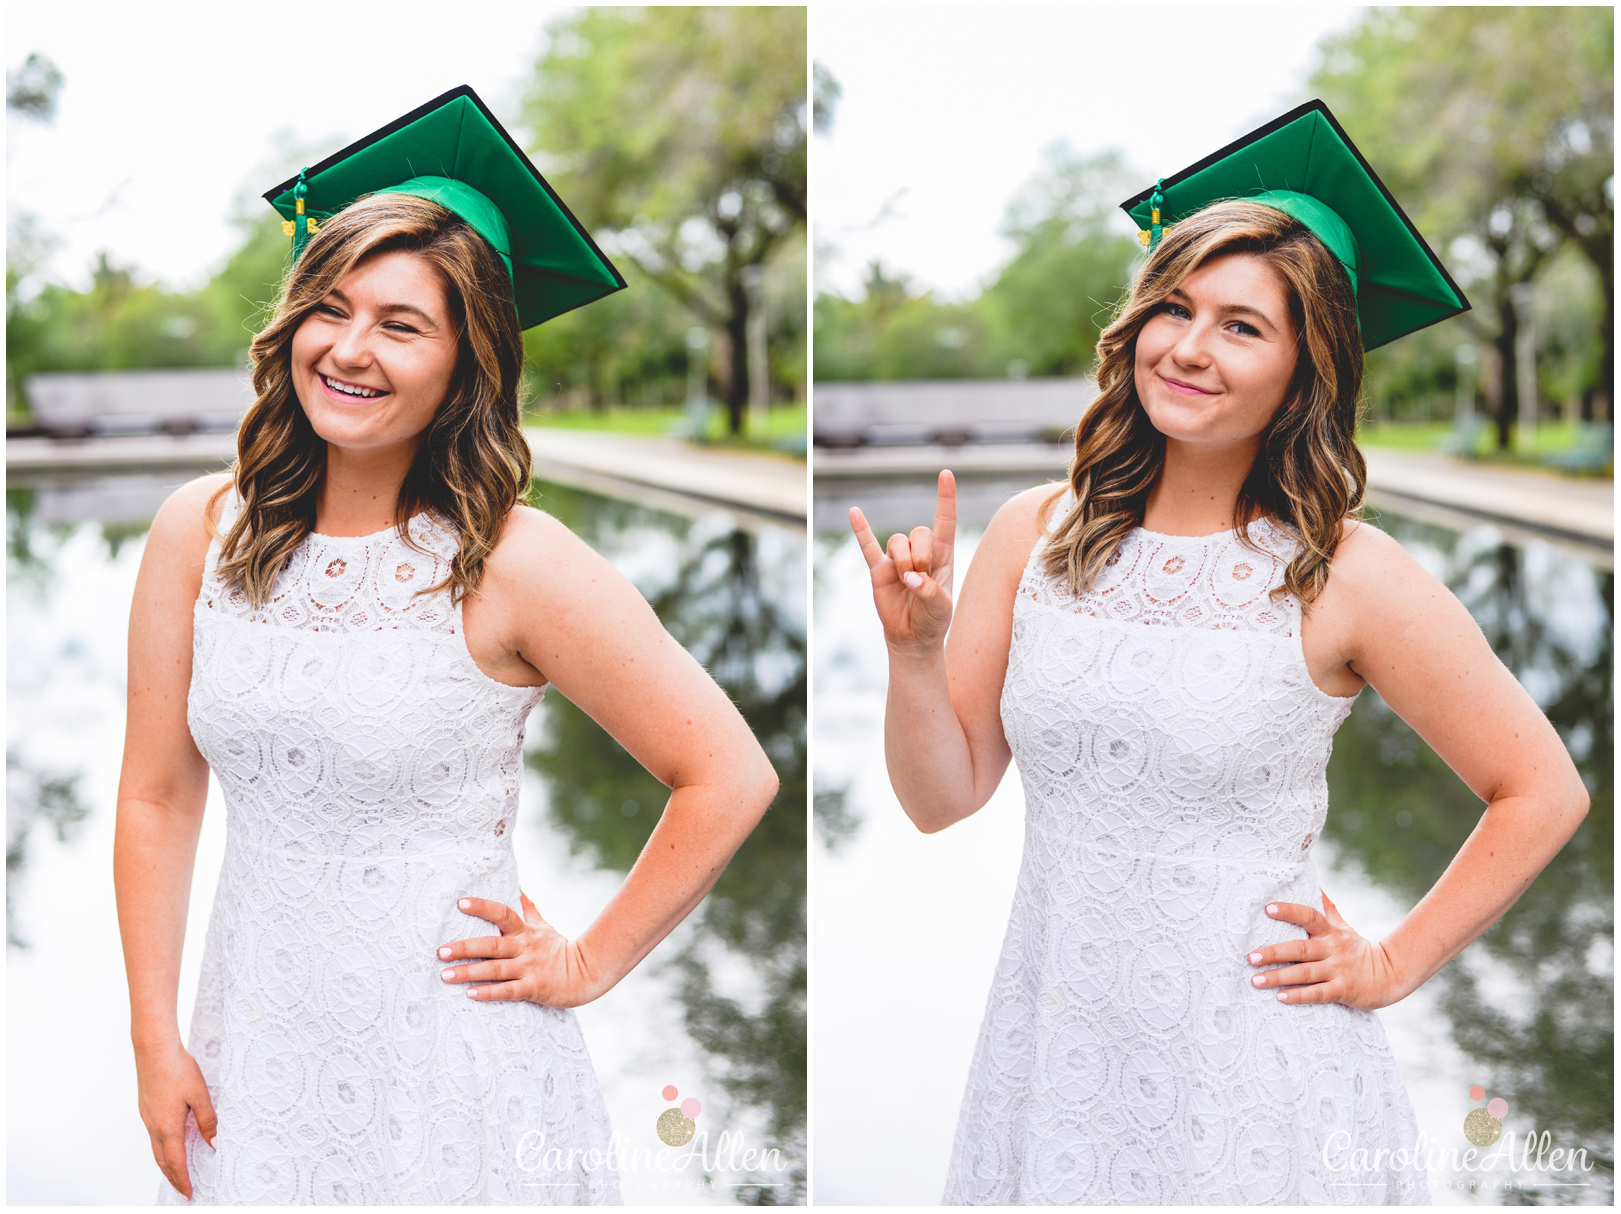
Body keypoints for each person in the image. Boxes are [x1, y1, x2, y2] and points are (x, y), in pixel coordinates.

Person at [848, 101, 1589, 1204]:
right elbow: (939, 797)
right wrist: (915, 652)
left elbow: (1540, 788)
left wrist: (1391, 962)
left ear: (1305, 368)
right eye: (1175, 308)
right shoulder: (1030, 534)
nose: (1189, 348)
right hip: (1055, 1050)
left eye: (1243, 326)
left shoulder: (1346, 571)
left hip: (1255, 1073)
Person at [114, 87, 779, 1205]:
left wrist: (588, 958)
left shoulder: (516, 560)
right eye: (330, 307)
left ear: (468, 362)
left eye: (402, 323)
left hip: (455, 1068)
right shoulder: (199, 529)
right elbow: (156, 795)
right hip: (258, 1047)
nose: (350, 348)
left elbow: (728, 773)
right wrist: (152, 1036)